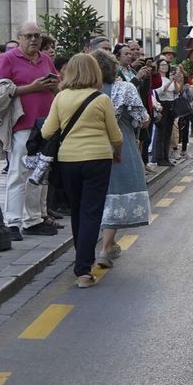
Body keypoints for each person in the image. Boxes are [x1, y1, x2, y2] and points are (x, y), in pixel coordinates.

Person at [41, 54, 120, 289]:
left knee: (77, 210)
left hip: (68, 160)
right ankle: (83, 269)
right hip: (98, 159)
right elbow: (115, 135)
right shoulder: (101, 99)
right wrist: (118, 152)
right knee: (91, 212)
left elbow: (47, 132)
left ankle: (81, 258)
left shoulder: (61, 98)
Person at [0, 20, 59, 236]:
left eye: (37, 36)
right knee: (18, 173)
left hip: (45, 124)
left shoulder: (45, 59)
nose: (33, 40)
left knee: (38, 173)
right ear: (19, 38)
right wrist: (32, 87)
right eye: (28, 36)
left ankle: (33, 219)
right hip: (21, 123)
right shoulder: (8, 58)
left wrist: (53, 85)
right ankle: (12, 221)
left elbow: (57, 84)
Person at [91, 50, 149, 269]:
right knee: (116, 194)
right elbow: (141, 119)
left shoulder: (80, 91)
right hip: (119, 145)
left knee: (97, 196)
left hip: (88, 147)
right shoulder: (124, 88)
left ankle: (106, 244)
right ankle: (105, 248)